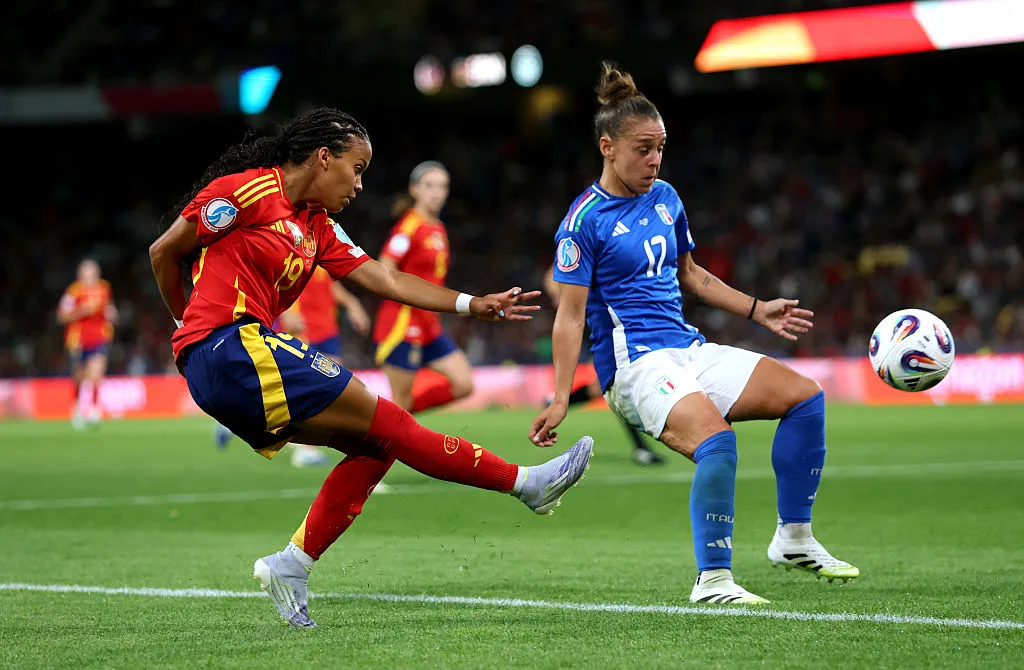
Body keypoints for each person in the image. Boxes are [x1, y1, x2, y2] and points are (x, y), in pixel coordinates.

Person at [149, 107, 593, 628]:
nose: (360, 184)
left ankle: (291, 565)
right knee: (390, 422)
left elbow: (387, 279)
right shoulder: (246, 192)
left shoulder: (317, 227)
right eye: (356, 168)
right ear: (323, 157)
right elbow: (164, 251)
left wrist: (472, 303)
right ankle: (524, 483)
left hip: (235, 359)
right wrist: (191, 325)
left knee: (379, 443)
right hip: (229, 346)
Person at [531, 64, 857, 606]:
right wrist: (563, 396)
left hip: (687, 350)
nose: (655, 159)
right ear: (607, 147)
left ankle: (793, 538)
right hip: (636, 368)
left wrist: (758, 310)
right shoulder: (584, 219)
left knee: (805, 397)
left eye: (661, 147)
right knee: (717, 443)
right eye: (643, 149)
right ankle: (713, 581)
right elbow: (569, 315)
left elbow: (691, 275)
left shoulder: (667, 198)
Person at [372, 161, 474, 413]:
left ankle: (401, 417)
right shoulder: (409, 226)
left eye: (443, 186)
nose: (437, 192)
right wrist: (410, 296)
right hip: (402, 324)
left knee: (464, 384)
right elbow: (384, 267)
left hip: (429, 325)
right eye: (430, 185)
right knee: (401, 399)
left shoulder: (437, 227)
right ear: (414, 189)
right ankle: (396, 421)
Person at [542, 263, 664, 466]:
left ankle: (555, 404)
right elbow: (554, 278)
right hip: (600, 327)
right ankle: (641, 448)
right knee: (617, 385)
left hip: (608, 325)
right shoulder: (578, 251)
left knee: (600, 388)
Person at [57, 259, 118, 429]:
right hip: (78, 340)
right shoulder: (74, 291)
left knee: (96, 374)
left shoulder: (104, 288)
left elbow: (109, 308)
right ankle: (77, 408)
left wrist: (111, 314)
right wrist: (81, 311)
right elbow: (62, 315)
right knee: (79, 377)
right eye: (87, 272)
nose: (90, 275)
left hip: (100, 337)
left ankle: (94, 410)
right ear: (80, 274)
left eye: (93, 271)